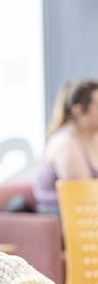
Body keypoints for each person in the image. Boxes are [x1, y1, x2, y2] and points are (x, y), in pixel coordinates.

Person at [32, 78, 98, 214]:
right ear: (78, 111)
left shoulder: (92, 137)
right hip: (65, 218)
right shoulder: (66, 143)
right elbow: (86, 197)